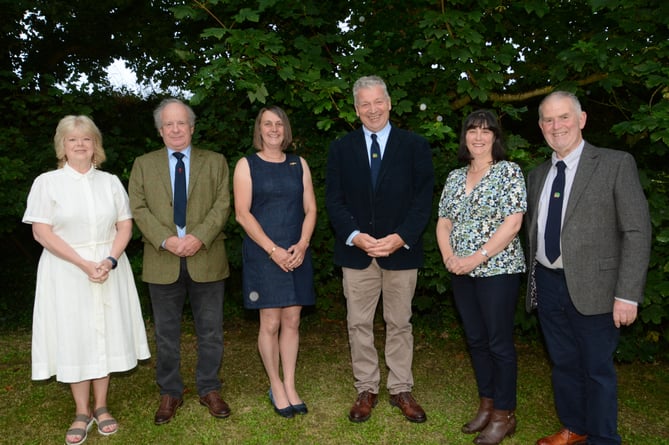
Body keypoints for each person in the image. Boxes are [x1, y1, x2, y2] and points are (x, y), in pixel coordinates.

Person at [526, 91, 651, 445]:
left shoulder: (614, 163)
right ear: (540, 127)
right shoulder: (537, 175)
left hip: (598, 288)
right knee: (564, 364)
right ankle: (574, 427)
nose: (556, 126)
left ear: (581, 120)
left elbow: (637, 231)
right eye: (548, 120)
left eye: (564, 117)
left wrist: (627, 294)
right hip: (549, 283)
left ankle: (602, 439)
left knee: (597, 370)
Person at [23, 115, 150, 445]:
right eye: (72, 139)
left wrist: (109, 260)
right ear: (62, 146)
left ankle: (102, 406)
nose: (80, 144)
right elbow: (41, 231)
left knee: (103, 331)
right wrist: (82, 263)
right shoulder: (47, 182)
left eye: (86, 139)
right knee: (74, 334)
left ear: (96, 145)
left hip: (108, 267)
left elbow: (124, 226)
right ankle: (82, 410)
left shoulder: (109, 182)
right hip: (66, 271)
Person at [325, 75, 434, 423]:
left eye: (378, 102)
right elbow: (334, 200)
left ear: (389, 103)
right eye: (364, 104)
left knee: (399, 322)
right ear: (357, 110)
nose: (372, 109)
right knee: (358, 323)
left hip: (400, 251)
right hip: (357, 252)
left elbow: (422, 199)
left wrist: (401, 236)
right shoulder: (341, 148)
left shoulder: (415, 146)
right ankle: (367, 387)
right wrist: (354, 234)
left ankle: (401, 387)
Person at [128, 98, 232, 425]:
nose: (176, 129)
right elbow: (138, 207)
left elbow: (223, 203)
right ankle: (170, 391)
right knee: (166, 332)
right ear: (160, 131)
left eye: (181, 123)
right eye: (168, 124)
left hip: (206, 255)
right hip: (162, 258)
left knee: (211, 330)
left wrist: (199, 236)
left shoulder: (215, 162)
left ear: (192, 127)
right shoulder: (143, 164)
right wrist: (167, 239)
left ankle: (209, 388)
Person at [436, 110, 526, 445]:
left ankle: (505, 414)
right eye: (472, 130)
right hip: (460, 269)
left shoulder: (508, 173)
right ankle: (486, 404)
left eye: (486, 131)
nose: (478, 136)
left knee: (498, 342)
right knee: (475, 338)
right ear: (465, 137)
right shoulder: (455, 177)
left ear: (495, 137)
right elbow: (444, 221)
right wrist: (450, 257)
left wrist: (476, 257)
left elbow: (513, 222)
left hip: (497, 269)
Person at [233, 106, 317, 418]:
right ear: (259, 129)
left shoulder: (299, 164)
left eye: (279, 124)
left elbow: (310, 209)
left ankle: (291, 383)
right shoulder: (246, 165)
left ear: (286, 129)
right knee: (269, 322)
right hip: (264, 253)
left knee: (292, 320)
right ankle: (275, 384)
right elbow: (243, 214)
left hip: (297, 252)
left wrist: (302, 245)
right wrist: (273, 250)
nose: (273, 129)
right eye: (267, 124)